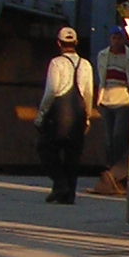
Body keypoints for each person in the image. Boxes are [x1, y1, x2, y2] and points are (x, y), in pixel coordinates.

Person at [36, 27, 95, 204]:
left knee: (46, 149)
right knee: (73, 156)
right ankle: (69, 195)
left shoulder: (56, 63)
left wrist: (41, 113)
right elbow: (88, 93)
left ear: (59, 43)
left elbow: (51, 91)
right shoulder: (86, 64)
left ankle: (60, 184)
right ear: (76, 42)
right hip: (78, 114)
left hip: (59, 115)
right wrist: (87, 116)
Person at [93, 25, 129, 198]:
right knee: (109, 140)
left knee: (119, 137)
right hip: (107, 101)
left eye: (119, 38)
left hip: (124, 101)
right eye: (114, 38)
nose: (116, 41)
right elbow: (102, 79)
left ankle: (118, 175)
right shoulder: (103, 55)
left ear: (124, 39)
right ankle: (111, 172)